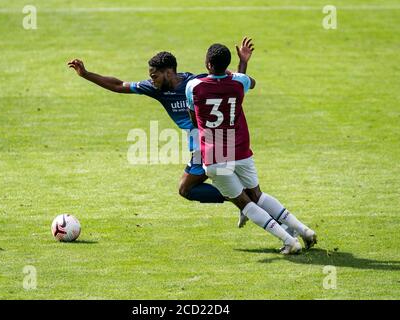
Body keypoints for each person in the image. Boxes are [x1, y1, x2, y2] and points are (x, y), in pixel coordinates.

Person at [68, 38, 265, 228]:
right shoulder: (157, 88)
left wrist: (241, 65)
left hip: (206, 145)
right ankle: (244, 201)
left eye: (155, 75)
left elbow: (233, 85)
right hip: (213, 143)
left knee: (186, 189)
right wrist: (85, 74)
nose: (151, 80)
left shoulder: (194, 83)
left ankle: (243, 201)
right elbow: (118, 85)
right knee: (209, 188)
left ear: (169, 72)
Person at [186, 43, 317, 254]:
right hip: (241, 149)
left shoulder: (193, 86)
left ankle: (289, 241)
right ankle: (304, 230)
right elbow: (249, 82)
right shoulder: (239, 82)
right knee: (257, 194)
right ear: (226, 64)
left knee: (244, 203)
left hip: (215, 154)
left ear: (208, 64)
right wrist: (243, 63)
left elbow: (193, 119)